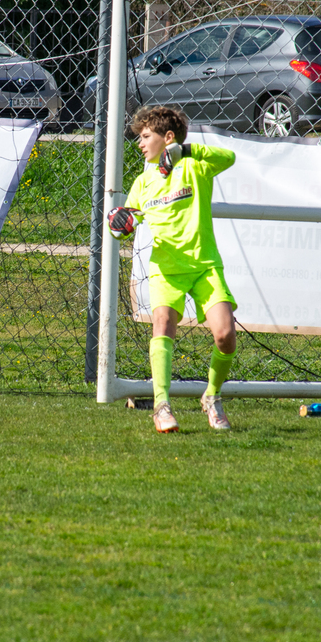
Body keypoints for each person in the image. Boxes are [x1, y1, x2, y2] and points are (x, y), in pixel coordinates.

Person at [107, 105, 238, 433]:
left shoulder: (194, 167)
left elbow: (229, 157)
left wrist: (186, 150)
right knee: (163, 324)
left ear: (168, 138)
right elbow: (126, 222)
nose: (140, 143)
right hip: (165, 269)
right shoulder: (142, 182)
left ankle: (212, 395)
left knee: (225, 336)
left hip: (204, 266)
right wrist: (119, 224)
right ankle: (162, 406)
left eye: (145, 136)